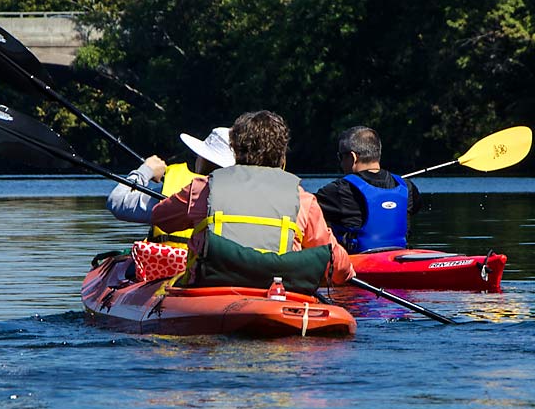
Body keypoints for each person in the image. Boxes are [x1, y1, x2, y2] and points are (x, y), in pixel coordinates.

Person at [150, 110, 355, 288]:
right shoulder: (302, 199)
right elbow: (337, 264)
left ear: (236, 150)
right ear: (282, 157)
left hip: (210, 288)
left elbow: (160, 218)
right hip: (277, 292)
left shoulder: (203, 188)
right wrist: (347, 273)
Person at [315, 126, 422, 253]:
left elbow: (306, 210)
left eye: (341, 157)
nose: (341, 163)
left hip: (358, 262)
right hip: (399, 256)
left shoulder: (339, 190)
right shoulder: (407, 187)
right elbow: (414, 207)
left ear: (353, 157)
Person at [106, 127, 234, 225]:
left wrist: (145, 171)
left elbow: (116, 201)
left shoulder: (184, 196)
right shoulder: (248, 202)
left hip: (181, 259)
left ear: (203, 160)